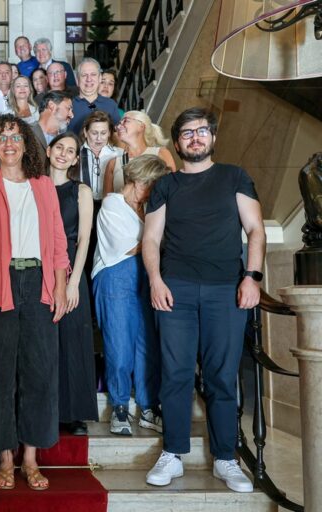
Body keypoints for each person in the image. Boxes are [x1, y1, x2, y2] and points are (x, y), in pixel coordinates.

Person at [144, 108, 265, 493]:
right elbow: (150, 239)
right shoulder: (166, 185)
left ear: (212, 137)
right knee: (176, 374)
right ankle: (173, 453)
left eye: (201, 131)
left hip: (225, 290)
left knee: (221, 376)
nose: (194, 138)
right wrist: (155, 280)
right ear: (177, 142)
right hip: (175, 289)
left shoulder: (235, 176)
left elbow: (256, 231)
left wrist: (252, 277)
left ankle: (226, 458)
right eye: (186, 133)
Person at [0, 114, 69, 491]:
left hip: (39, 284)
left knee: (39, 373)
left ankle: (30, 458)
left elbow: (58, 242)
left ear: (27, 145)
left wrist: (60, 287)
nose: (9, 143)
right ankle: (5, 457)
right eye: (2, 138)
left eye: (16, 137)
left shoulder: (43, 186)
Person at [92, 154, 168, 437]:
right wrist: (154, 242)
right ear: (140, 180)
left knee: (146, 345)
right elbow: (126, 247)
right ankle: (120, 406)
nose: (154, 191)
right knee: (120, 345)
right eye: (153, 184)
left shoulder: (145, 209)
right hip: (115, 277)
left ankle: (149, 407)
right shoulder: (112, 204)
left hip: (143, 278)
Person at [47, 132, 99, 436]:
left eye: (70, 151)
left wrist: (73, 282)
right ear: (49, 150)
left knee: (73, 341)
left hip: (70, 269)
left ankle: (75, 413)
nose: (64, 154)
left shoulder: (80, 190)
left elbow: (84, 239)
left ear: (76, 159)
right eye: (59, 148)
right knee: (45, 344)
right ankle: (48, 408)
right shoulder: (34, 186)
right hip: (41, 268)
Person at [106, 110, 176, 194]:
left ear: (141, 126)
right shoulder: (113, 162)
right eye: (119, 123)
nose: (118, 126)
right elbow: (106, 200)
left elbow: (173, 189)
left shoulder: (161, 153)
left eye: (125, 121)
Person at [69, 58, 121, 133]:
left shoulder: (111, 104)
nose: (89, 79)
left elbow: (116, 135)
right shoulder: (68, 105)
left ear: (100, 78)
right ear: (77, 80)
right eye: (84, 75)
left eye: (93, 74)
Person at [78, 110, 120, 200]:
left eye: (103, 133)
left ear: (109, 133)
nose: (99, 138)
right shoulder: (75, 154)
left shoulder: (119, 154)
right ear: (85, 132)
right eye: (94, 133)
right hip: (81, 206)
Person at [30, 90, 74, 162]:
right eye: (68, 108)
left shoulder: (65, 140)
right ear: (51, 106)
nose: (72, 115)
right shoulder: (26, 133)